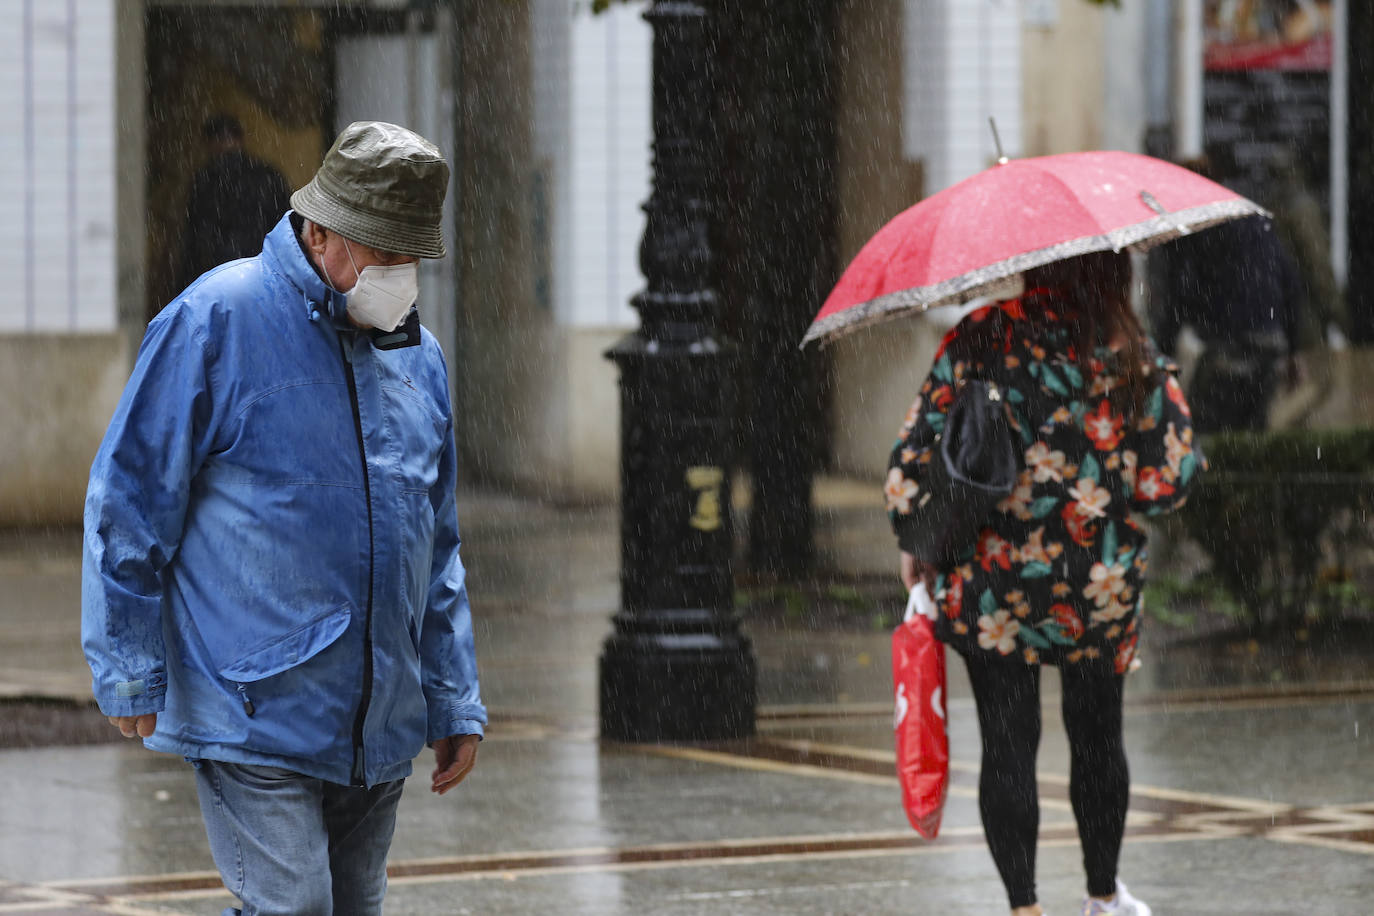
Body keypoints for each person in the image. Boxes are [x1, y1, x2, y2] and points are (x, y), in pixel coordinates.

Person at [83, 121, 484, 915]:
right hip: (253, 704)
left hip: (378, 719)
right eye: (385, 252)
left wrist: (452, 698)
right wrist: (127, 663)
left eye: (411, 256)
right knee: (294, 906)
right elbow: (129, 496)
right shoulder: (215, 321)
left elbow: (434, 545)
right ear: (324, 231)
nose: (400, 274)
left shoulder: (418, 359)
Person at [886, 251, 1202, 916]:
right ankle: (1101, 896)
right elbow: (1165, 482)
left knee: (1007, 742)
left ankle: (1024, 907)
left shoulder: (980, 335)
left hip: (992, 579)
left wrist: (917, 539)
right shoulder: (1127, 348)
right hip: (1098, 584)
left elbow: (915, 455)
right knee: (1098, 737)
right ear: (1115, 270)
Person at [1148, 161, 1304, 434]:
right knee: (1252, 438)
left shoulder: (1194, 221)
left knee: (1200, 435)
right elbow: (1290, 281)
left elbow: (1179, 292)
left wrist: (1163, 354)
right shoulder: (1250, 216)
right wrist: (1292, 349)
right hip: (1269, 340)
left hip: (1230, 343)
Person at [179, 114, 292, 290]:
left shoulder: (207, 179)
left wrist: (186, 279)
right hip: (261, 267)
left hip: (219, 272)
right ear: (239, 139)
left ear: (210, 143)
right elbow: (284, 224)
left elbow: (196, 235)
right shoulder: (266, 175)